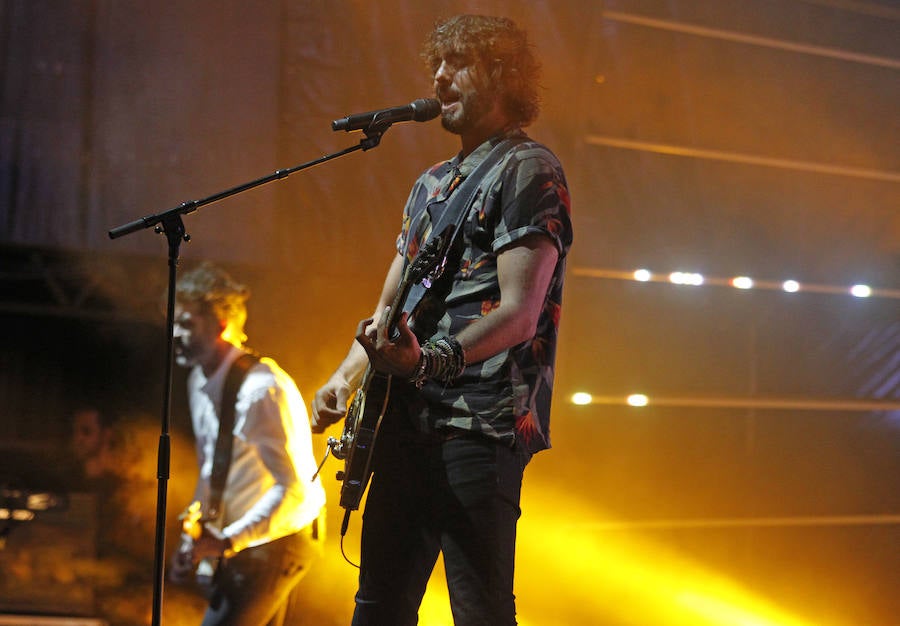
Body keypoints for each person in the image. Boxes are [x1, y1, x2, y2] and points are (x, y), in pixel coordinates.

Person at [311, 14, 573, 626]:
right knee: (377, 609)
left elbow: (519, 312)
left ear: (503, 74)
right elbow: (387, 311)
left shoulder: (529, 169)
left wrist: (429, 359)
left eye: (457, 62)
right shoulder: (428, 185)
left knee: (478, 612)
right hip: (406, 422)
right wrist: (343, 380)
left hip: (479, 427)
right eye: (437, 62)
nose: (438, 75)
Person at [168, 261, 327, 626]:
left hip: (279, 540)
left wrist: (226, 541)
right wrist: (190, 541)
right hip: (243, 541)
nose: (174, 333)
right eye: (174, 322)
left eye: (187, 323)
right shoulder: (198, 380)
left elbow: (297, 493)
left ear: (222, 325)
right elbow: (213, 471)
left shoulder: (262, 391)